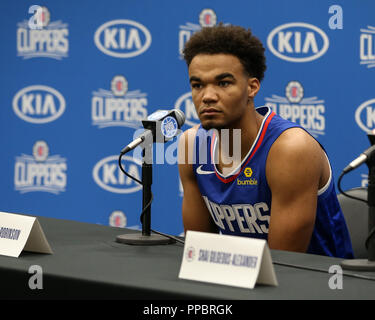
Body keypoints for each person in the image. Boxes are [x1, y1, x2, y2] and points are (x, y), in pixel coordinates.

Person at [177, 23, 353, 258]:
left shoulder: (290, 148)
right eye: (198, 85)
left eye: (223, 83)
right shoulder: (192, 144)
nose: (207, 96)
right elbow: (200, 254)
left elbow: (285, 267)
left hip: (319, 287)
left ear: (252, 87)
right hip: (239, 283)